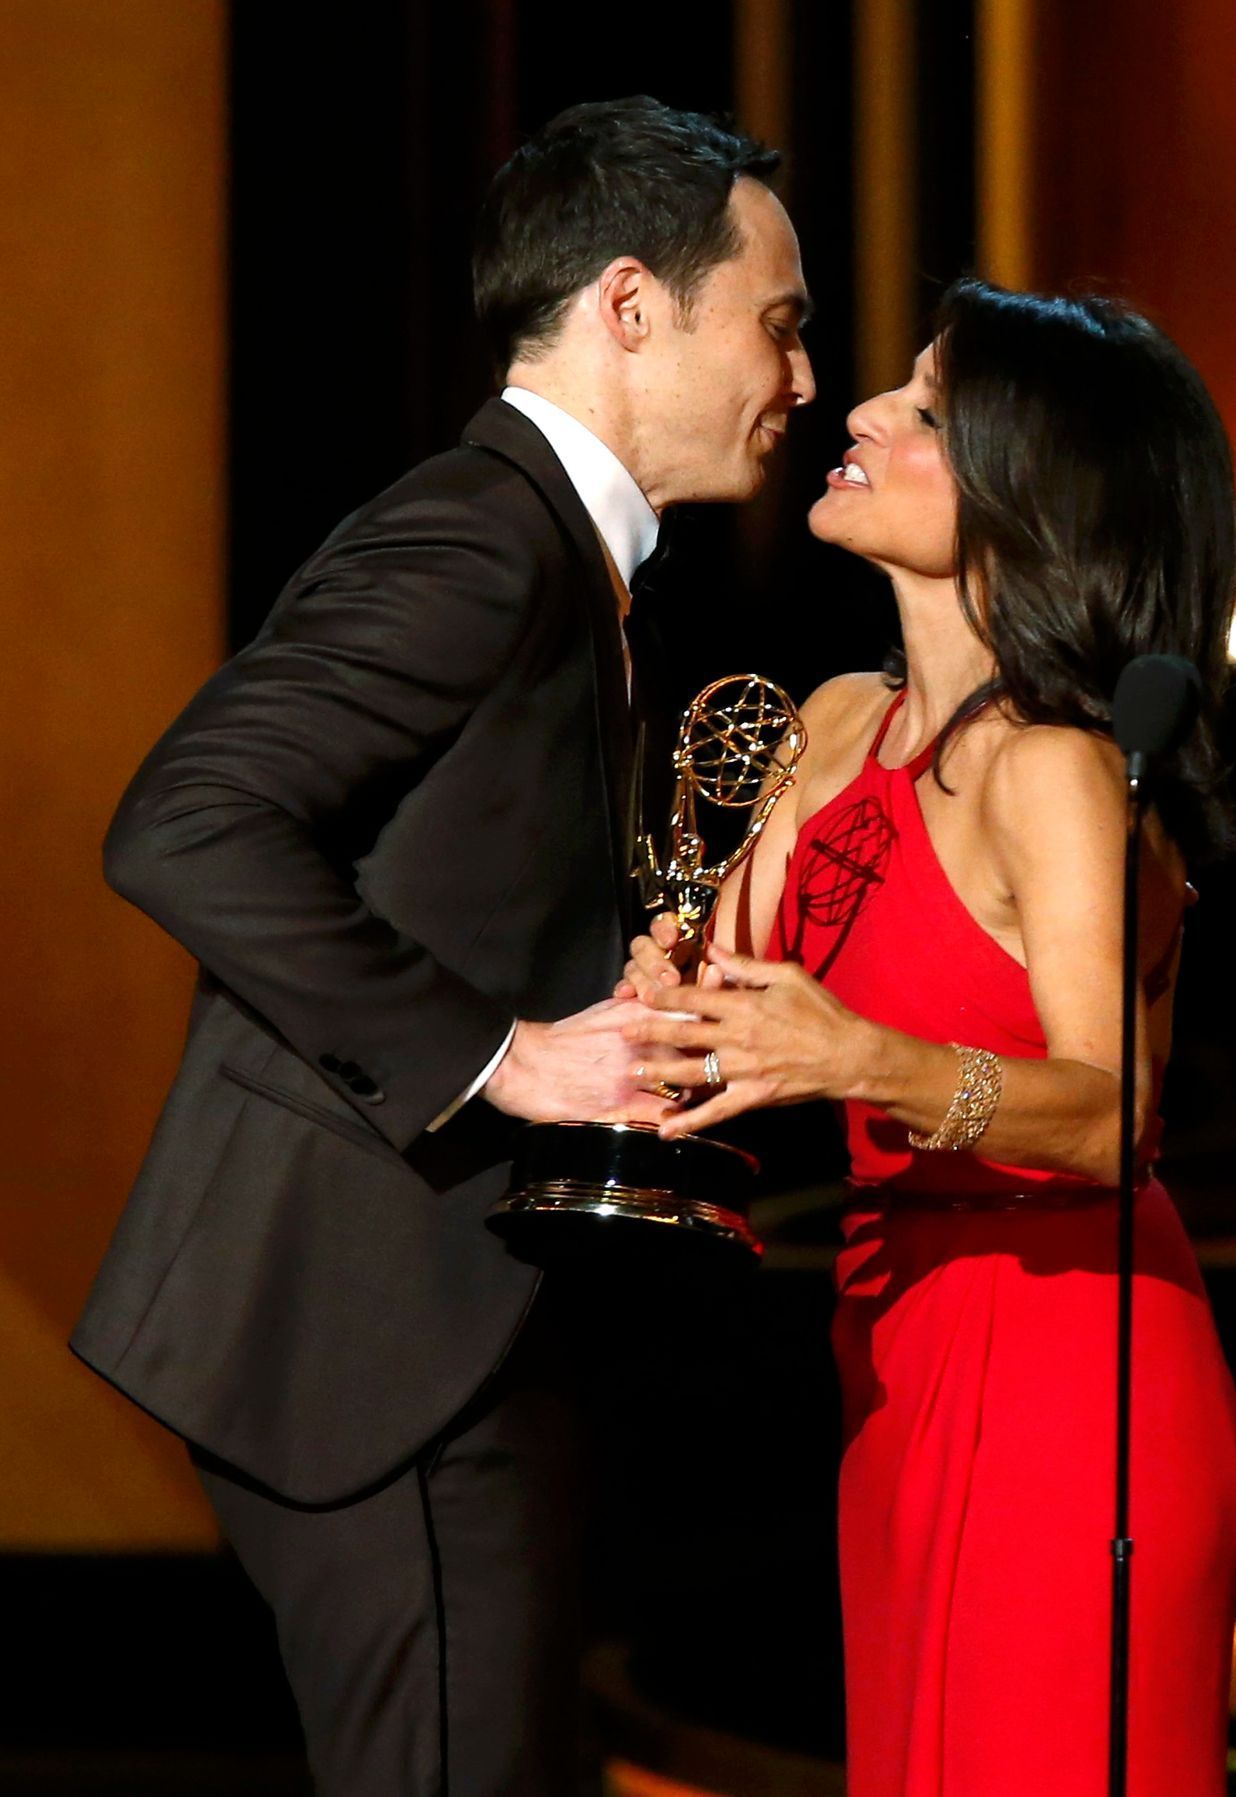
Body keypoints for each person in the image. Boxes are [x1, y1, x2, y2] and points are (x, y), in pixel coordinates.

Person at [72, 96, 813, 1797]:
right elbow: (182, 821)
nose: (800, 378)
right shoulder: (485, 532)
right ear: (631, 305)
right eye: (776, 321)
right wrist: (505, 1053)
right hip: (379, 1341)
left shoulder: (562, 556)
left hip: (443, 1318)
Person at [622, 280, 1236, 1796]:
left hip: (1068, 1363)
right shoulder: (833, 719)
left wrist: (858, 1061)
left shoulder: (1055, 767)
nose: (861, 413)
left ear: (1032, 489)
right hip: (889, 1335)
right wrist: (679, 1004)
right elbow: (763, 1012)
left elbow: (1115, 1116)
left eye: (923, 408)